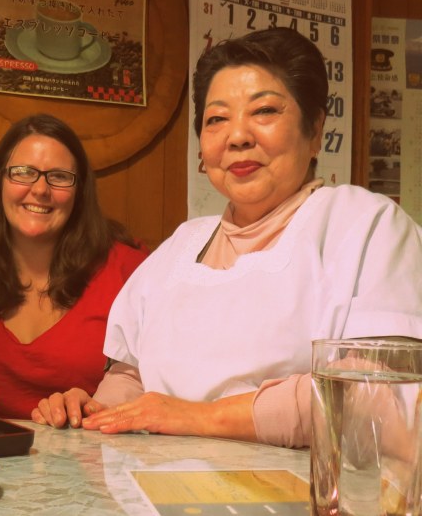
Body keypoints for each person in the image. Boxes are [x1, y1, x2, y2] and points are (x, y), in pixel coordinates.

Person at [32, 28, 422, 447]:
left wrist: (196, 417)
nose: (237, 136)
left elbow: (378, 394)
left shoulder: (365, 225)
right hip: (157, 483)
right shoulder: (180, 247)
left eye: (264, 111)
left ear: (314, 130)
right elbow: (132, 377)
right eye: (217, 119)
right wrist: (95, 410)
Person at [0, 114, 148, 419]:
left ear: (79, 191)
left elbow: (159, 379)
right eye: (23, 173)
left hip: (94, 444)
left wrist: (97, 406)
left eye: (59, 177)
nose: (40, 189)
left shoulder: (128, 270)